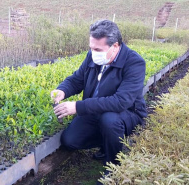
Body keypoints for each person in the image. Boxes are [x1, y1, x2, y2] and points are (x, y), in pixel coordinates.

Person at [51, 19, 147, 182]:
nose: (93, 52)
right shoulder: (93, 57)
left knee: (109, 120)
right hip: (94, 110)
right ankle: (107, 142)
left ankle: (113, 166)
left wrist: (78, 107)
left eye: (97, 49)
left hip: (126, 114)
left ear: (115, 46)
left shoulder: (134, 63)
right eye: (91, 48)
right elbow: (77, 79)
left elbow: (121, 102)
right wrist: (62, 90)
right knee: (69, 140)